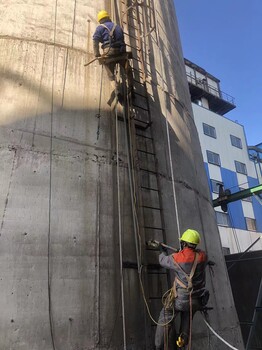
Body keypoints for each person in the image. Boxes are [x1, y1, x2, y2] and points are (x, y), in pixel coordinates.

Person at [155, 229, 209, 349]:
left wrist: (161, 251)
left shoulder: (177, 257)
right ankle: (182, 341)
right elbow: (198, 253)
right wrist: (185, 251)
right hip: (196, 300)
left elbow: (162, 261)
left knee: (165, 315)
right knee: (187, 317)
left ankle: (159, 345)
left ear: (183, 243)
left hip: (180, 300)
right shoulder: (203, 257)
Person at [93, 10, 126, 82]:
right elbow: (122, 39)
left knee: (104, 61)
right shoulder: (117, 26)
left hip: (109, 51)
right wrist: (123, 50)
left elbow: (95, 41)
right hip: (121, 50)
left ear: (100, 20)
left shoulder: (100, 28)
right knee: (127, 66)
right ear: (108, 17)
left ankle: (112, 78)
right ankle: (131, 85)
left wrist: (97, 54)